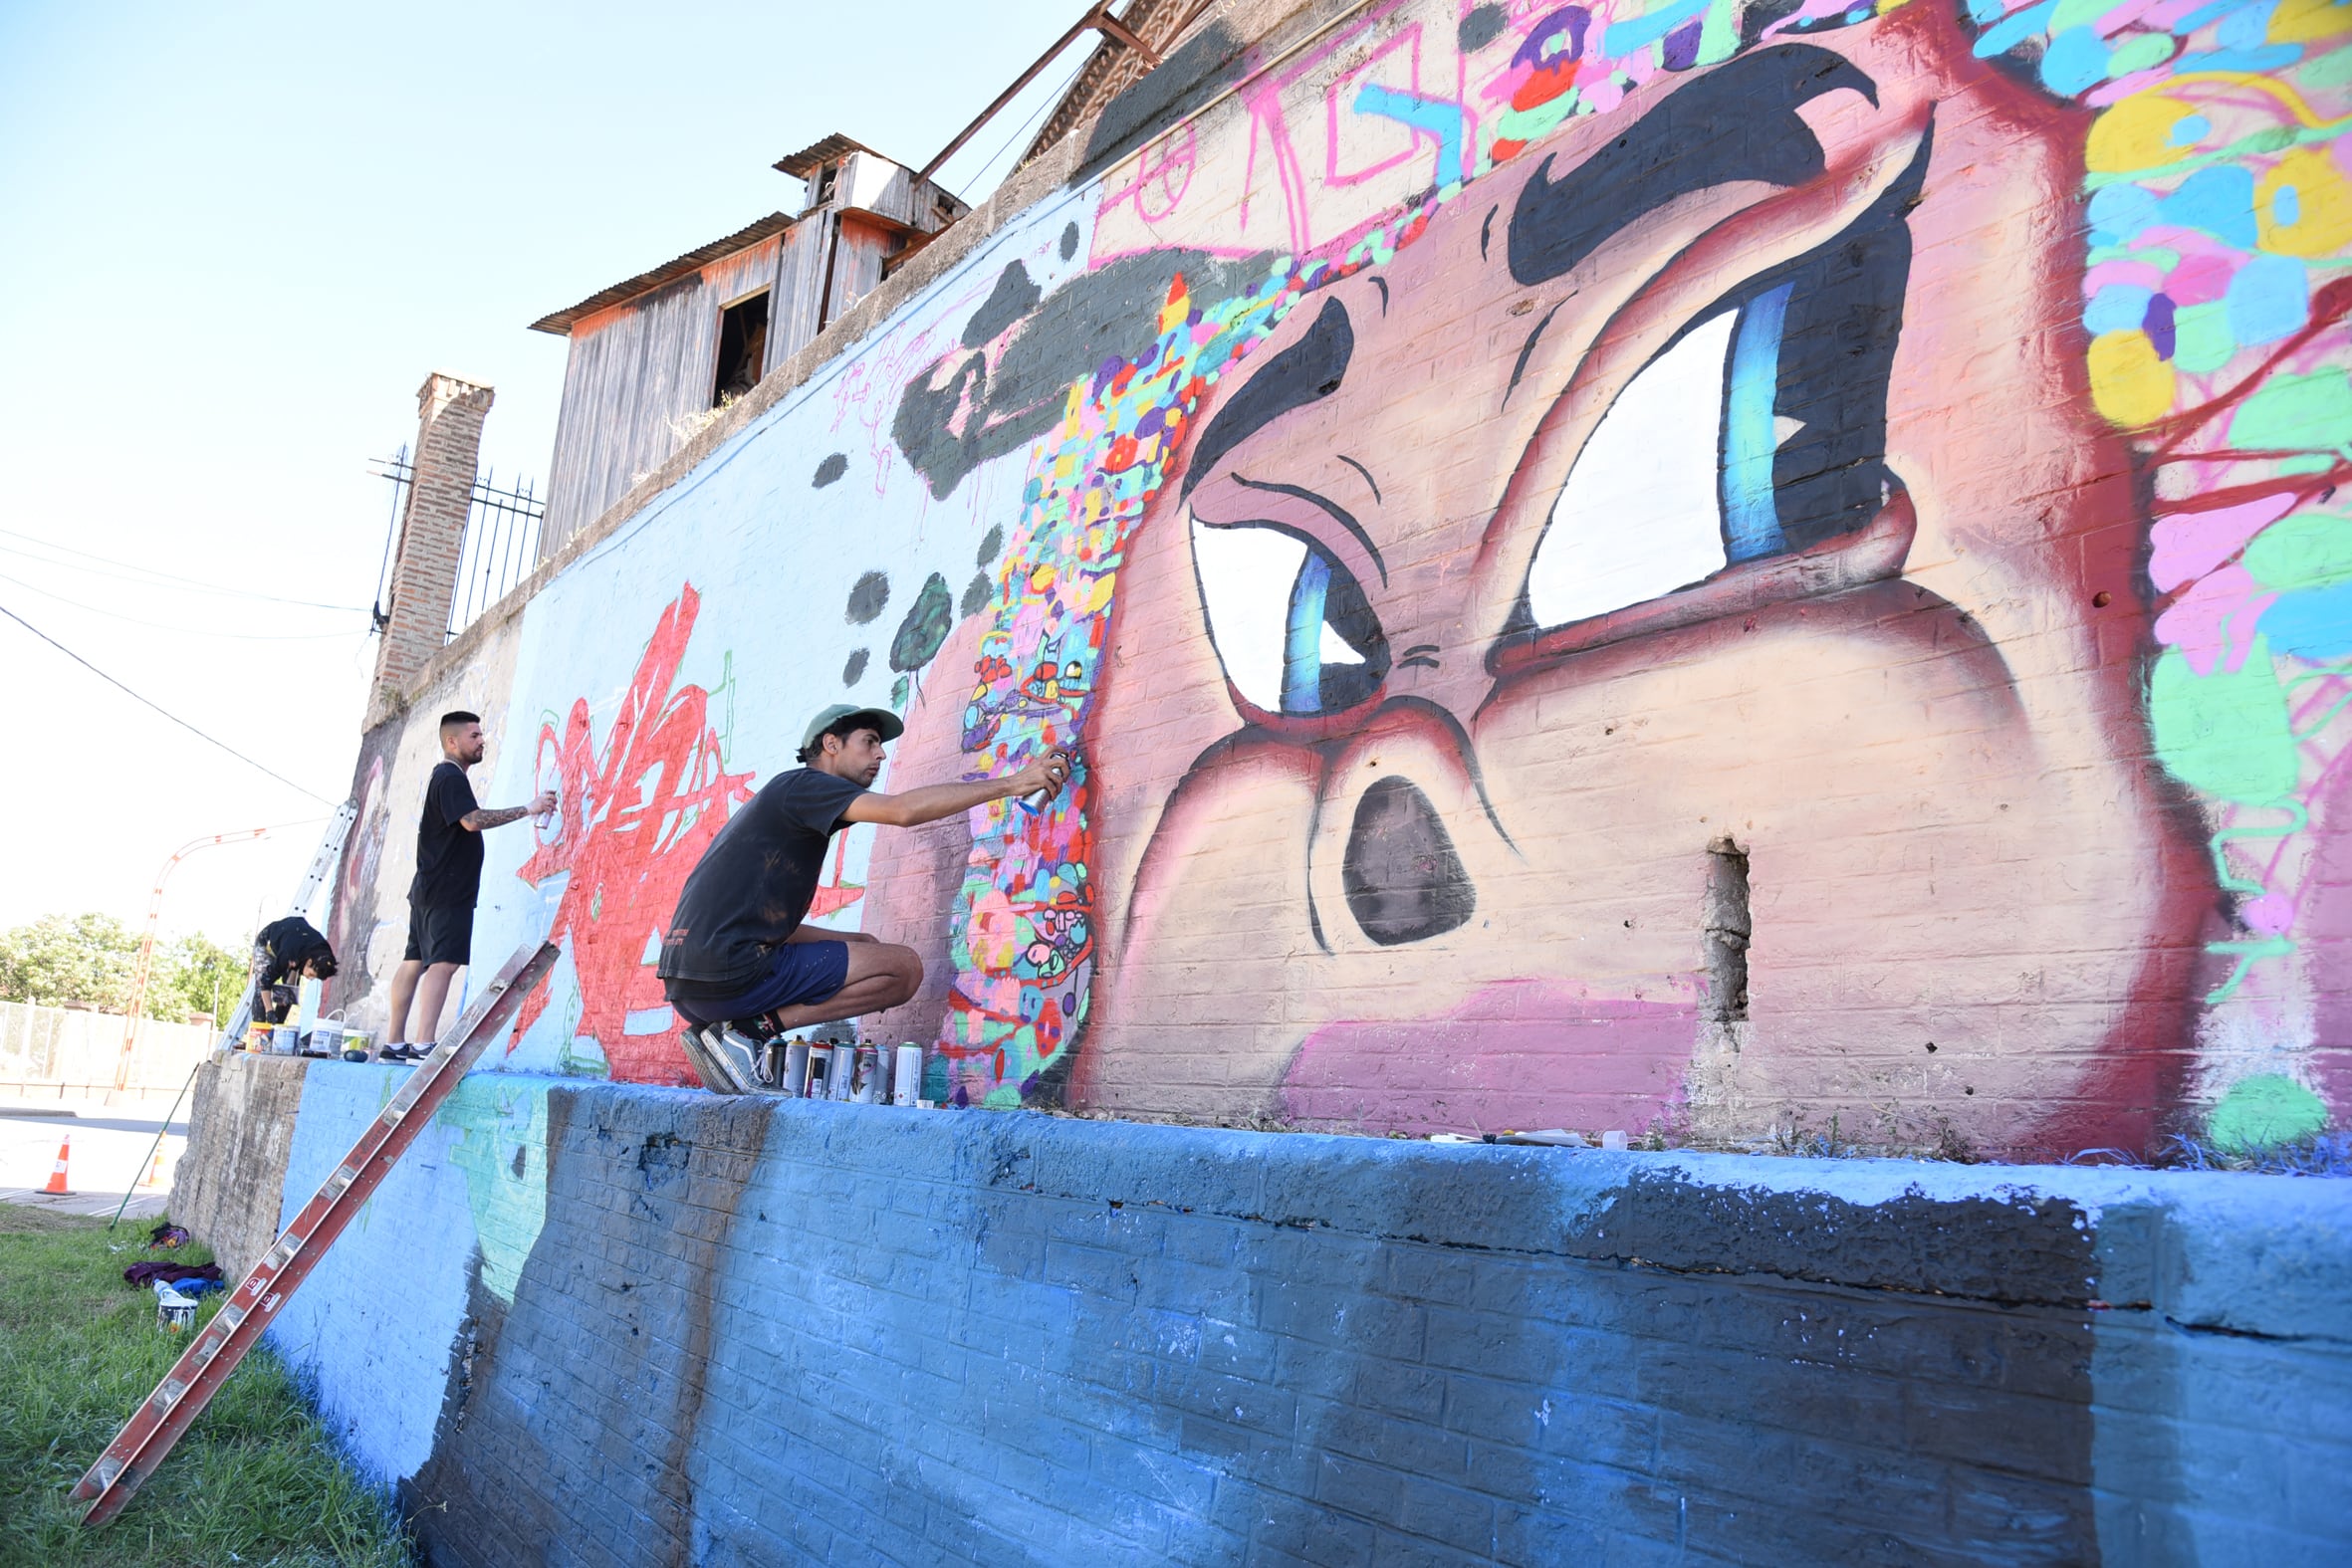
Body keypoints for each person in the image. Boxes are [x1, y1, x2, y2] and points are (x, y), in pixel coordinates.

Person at [658, 703, 1067, 1089]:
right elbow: (902, 812)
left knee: (869, 950)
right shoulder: (806, 785)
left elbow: (765, 924)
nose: (881, 755)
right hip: (728, 975)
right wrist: (1015, 783)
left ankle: (732, 1032)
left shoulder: (787, 806)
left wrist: (855, 943)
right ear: (830, 745)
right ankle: (748, 1032)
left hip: (692, 988)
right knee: (901, 969)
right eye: (869, 742)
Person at [383, 710, 558, 1060]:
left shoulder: (444, 778)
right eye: (474, 736)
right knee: (443, 963)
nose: (482, 741)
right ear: (452, 741)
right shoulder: (450, 777)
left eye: (481, 735)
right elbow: (472, 822)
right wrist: (530, 808)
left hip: (428, 888)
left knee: (414, 961)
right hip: (447, 889)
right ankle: (423, 1044)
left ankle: (395, 1043)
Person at [249, 915, 337, 1028]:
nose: (310, 978)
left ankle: (277, 1029)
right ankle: (258, 1032)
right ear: (309, 962)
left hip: (296, 942)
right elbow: (265, 982)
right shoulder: (288, 954)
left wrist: (287, 991)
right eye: (311, 975)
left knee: (289, 995)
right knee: (261, 990)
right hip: (269, 943)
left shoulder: (324, 953)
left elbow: (294, 973)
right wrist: (269, 1010)